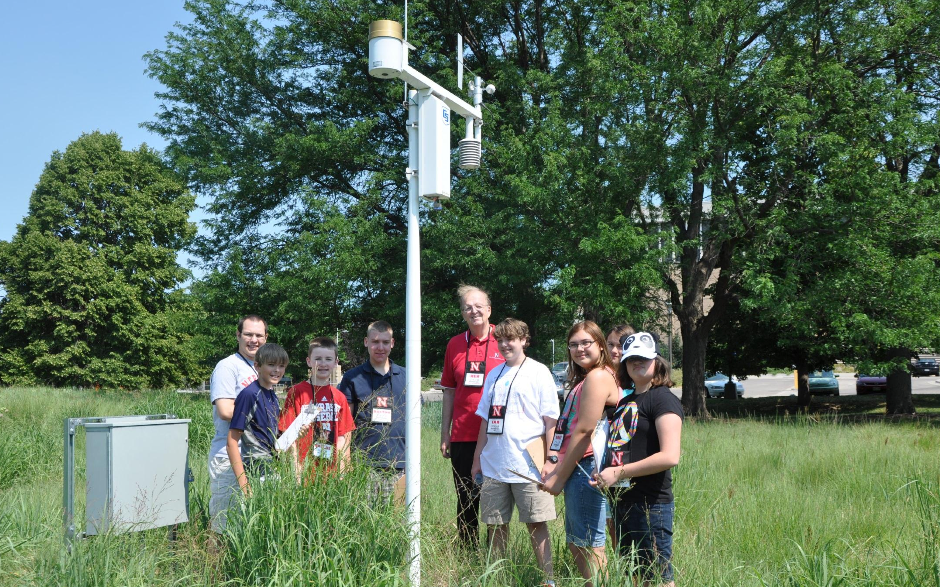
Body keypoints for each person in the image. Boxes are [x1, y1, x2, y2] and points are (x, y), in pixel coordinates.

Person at [470, 318, 559, 586]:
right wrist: (477, 460)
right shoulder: (494, 374)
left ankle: (548, 579)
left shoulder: (539, 371)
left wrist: (551, 458)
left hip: (528, 464)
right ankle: (497, 577)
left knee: (536, 523)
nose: (506, 344)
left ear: (524, 340)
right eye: (501, 339)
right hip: (494, 463)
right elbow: (485, 420)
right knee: (496, 525)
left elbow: (551, 420)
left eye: (511, 338)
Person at [593, 332, 683, 587]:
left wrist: (619, 472)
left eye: (643, 358)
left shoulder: (663, 398)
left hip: (651, 504)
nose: (636, 363)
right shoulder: (625, 401)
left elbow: (670, 456)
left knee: (660, 578)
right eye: (631, 359)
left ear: (656, 361)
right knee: (636, 575)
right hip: (623, 501)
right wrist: (604, 474)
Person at [540, 321, 621, 587]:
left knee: (589, 547)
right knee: (580, 544)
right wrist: (554, 459)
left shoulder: (598, 377)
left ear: (600, 344)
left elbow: (585, 430)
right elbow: (568, 425)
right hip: (577, 465)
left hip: (586, 466)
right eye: (573, 344)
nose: (579, 349)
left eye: (586, 343)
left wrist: (560, 477)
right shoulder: (587, 377)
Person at [440, 285, 505, 547]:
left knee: (495, 498)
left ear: (489, 310)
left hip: (498, 435)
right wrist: (445, 432)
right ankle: (467, 555)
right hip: (464, 435)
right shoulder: (455, 344)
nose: (473, 310)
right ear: (463, 313)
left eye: (479, 306)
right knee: (466, 498)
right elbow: (449, 392)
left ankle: (495, 556)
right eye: (468, 307)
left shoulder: (504, 338)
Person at [207, 314, 268, 532]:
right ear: (238, 335)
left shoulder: (260, 368)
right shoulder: (227, 367)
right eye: (248, 334)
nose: (254, 340)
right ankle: (212, 565)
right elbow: (224, 410)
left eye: (259, 335)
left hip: (256, 458)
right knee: (223, 524)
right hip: (228, 458)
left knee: (249, 524)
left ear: (266, 338)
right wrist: (262, 416)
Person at [339, 320, 407, 500]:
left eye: (385, 342)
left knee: (397, 520)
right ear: (366, 342)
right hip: (365, 465)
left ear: (392, 344)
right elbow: (344, 424)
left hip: (399, 464)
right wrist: (346, 462)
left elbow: (415, 421)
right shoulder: (352, 378)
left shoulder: (407, 376)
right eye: (375, 341)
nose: (380, 347)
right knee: (365, 520)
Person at [278, 337, 355, 482]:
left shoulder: (339, 397)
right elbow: (288, 434)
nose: (323, 363)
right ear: (309, 361)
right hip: (303, 470)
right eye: (318, 359)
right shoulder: (297, 393)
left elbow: (344, 437)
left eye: (328, 359)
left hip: (331, 473)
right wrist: (296, 470)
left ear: (336, 362)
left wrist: (343, 470)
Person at [227, 343, 289, 497]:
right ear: (257, 366)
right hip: (255, 471)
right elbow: (231, 442)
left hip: (273, 468)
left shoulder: (272, 395)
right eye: (271, 365)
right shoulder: (249, 394)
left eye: (281, 366)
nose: (277, 370)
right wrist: (244, 484)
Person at [605, 323, 635, 543]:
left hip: (632, 458)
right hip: (606, 459)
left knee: (629, 521)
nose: (614, 350)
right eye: (610, 345)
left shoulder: (638, 380)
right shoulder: (601, 378)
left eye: (620, 345)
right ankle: (615, 570)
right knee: (610, 519)